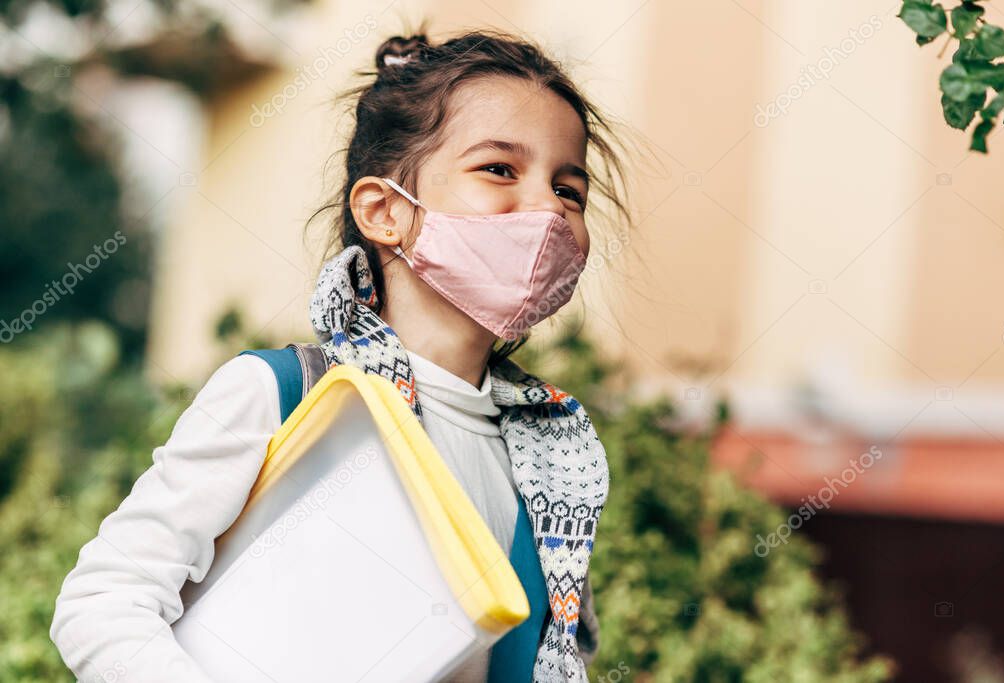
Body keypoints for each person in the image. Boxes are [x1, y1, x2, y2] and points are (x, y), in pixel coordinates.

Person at [50, 26, 633, 683]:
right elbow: (104, 599)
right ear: (385, 211)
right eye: (499, 168)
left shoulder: (555, 464)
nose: (547, 211)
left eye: (569, 190)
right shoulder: (282, 394)